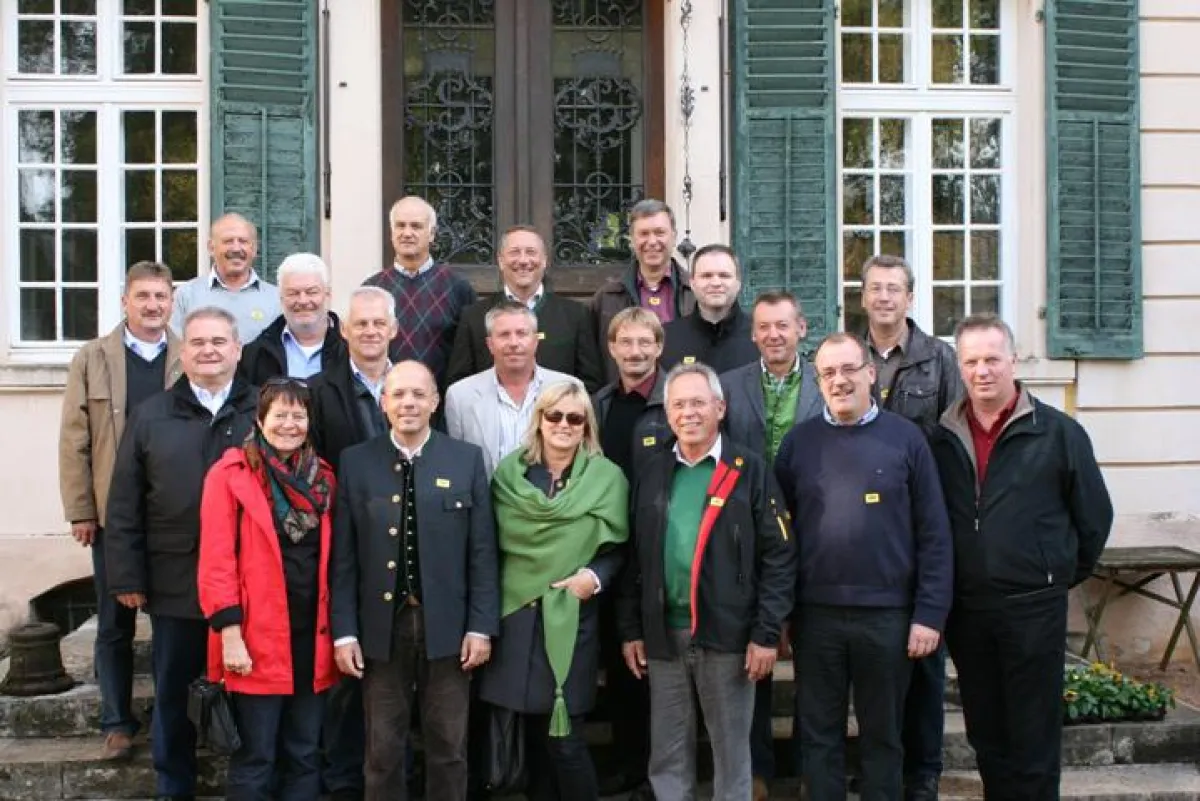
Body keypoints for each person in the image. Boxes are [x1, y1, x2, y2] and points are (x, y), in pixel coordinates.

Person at [930, 314, 1112, 801]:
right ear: (959, 366)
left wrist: (1052, 575)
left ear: (1013, 360)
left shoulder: (1058, 433)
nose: (982, 370)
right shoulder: (941, 437)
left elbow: (1094, 518)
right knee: (987, 736)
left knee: (1033, 738)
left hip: (1033, 607)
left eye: (992, 358)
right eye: (971, 361)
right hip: (968, 610)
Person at [774, 333, 953, 801]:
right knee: (819, 736)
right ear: (819, 381)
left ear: (870, 373)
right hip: (817, 619)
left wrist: (929, 614)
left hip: (888, 618)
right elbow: (780, 539)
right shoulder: (799, 444)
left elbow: (934, 533)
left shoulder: (907, 439)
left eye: (849, 369)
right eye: (828, 373)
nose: (840, 381)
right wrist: (782, 615)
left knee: (883, 736)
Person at [618, 363, 795, 801]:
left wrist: (766, 634)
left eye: (698, 402)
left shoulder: (749, 469)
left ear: (720, 407)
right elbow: (632, 555)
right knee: (668, 753)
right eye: (678, 404)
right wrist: (631, 629)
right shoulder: (653, 470)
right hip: (663, 635)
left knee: (732, 754)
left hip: (729, 637)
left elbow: (780, 555)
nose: (688, 413)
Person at [105, 307, 258, 800]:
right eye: (198, 342)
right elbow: (124, 502)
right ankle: (175, 785)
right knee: (174, 693)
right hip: (177, 582)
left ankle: (249, 783)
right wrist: (127, 576)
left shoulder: (263, 410)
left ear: (237, 349)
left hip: (254, 583)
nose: (209, 350)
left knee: (251, 691)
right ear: (183, 352)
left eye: (219, 341)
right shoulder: (151, 415)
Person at [330, 360, 500, 801]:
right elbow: (343, 559)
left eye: (418, 394)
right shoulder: (356, 462)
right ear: (383, 402)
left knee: (449, 748)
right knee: (382, 750)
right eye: (399, 394)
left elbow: (481, 552)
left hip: (449, 628)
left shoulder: (465, 459)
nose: (408, 403)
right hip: (379, 630)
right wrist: (344, 631)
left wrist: (481, 626)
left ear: (435, 401)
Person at [480, 381, 628, 801]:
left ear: (586, 427)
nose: (564, 424)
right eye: (554, 416)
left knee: (566, 741)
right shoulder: (510, 476)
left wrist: (592, 579)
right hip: (515, 620)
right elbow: (488, 544)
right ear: (540, 421)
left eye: (575, 418)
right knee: (530, 740)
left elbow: (618, 549)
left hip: (569, 621)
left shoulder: (606, 478)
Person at [58, 261, 182, 761]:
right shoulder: (93, 358)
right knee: (114, 623)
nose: (153, 306)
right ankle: (117, 722)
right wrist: (81, 510)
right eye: (143, 297)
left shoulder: (186, 352)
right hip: (116, 514)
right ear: (125, 302)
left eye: (161, 297)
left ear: (172, 302)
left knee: (176, 624)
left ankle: (177, 721)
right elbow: (74, 440)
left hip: (173, 514)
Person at [198, 378, 338, 800]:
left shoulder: (324, 478)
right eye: (280, 414)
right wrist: (231, 635)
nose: (290, 424)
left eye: (298, 415)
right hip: (255, 640)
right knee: (256, 757)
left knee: (305, 753)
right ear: (260, 420)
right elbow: (216, 560)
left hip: (312, 639)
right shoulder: (231, 474)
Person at [859, 255, 962, 800]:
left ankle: (922, 775)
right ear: (862, 297)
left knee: (924, 662)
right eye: (874, 289)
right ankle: (878, 768)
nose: (883, 298)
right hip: (864, 535)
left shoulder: (938, 360)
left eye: (893, 289)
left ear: (910, 298)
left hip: (919, 526)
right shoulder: (846, 356)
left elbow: (952, 443)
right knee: (874, 667)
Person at [717, 290, 820, 799]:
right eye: (764, 327)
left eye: (783, 325)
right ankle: (754, 770)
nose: (773, 335)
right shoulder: (730, 387)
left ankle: (804, 768)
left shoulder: (828, 382)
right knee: (750, 660)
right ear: (753, 333)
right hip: (747, 542)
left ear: (802, 328)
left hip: (820, 535)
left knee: (814, 662)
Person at [307, 285, 398, 800]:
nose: (369, 332)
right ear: (344, 331)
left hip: (404, 549)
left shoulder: (416, 385)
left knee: (392, 681)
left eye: (378, 323)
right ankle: (342, 783)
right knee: (344, 679)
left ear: (394, 329)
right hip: (343, 546)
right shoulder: (320, 390)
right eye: (359, 324)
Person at [589, 307, 670, 800]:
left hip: (656, 548)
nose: (635, 352)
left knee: (652, 670)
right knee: (619, 666)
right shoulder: (597, 404)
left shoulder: (671, 402)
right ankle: (624, 762)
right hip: (607, 546)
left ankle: (652, 772)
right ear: (612, 348)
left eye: (645, 343)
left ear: (659, 347)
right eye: (626, 343)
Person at [446, 225, 603, 392]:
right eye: (514, 252)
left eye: (531, 252)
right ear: (500, 261)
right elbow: (460, 384)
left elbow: (590, 384)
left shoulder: (575, 315)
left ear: (544, 260)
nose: (523, 260)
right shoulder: (474, 317)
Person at [444, 302, 580, 477]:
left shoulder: (569, 388)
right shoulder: (460, 395)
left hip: (553, 501)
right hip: (487, 500)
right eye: (504, 335)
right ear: (490, 344)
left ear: (536, 341)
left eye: (522, 333)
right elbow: (457, 463)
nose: (514, 343)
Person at [362, 196, 477, 390]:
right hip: (385, 406)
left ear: (431, 234)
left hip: (440, 406)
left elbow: (470, 352)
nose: (407, 233)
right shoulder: (372, 289)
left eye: (416, 226)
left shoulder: (458, 288)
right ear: (391, 233)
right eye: (400, 226)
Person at [591, 199, 695, 383]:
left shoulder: (696, 293)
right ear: (632, 240)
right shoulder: (607, 298)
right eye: (643, 234)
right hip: (626, 400)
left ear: (674, 236)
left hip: (683, 401)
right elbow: (594, 363)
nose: (652, 241)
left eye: (659, 233)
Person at [239, 253, 347, 384]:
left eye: (311, 292)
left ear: (327, 294)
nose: (302, 300)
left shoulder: (351, 349)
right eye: (293, 293)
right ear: (281, 297)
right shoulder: (256, 354)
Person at [172, 213, 280, 343]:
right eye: (228, 241)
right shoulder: (187, 295)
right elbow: (176, 349)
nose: (236, 248)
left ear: (254, 249)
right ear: (211, 248)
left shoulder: (276, 299)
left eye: (243, 241)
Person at [659, 244, 758, 375]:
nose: (716, 283)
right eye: (706, 276)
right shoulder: (667, 338)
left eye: (724, 275)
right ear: (692, 283)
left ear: (738, 283)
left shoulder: (761, 336)